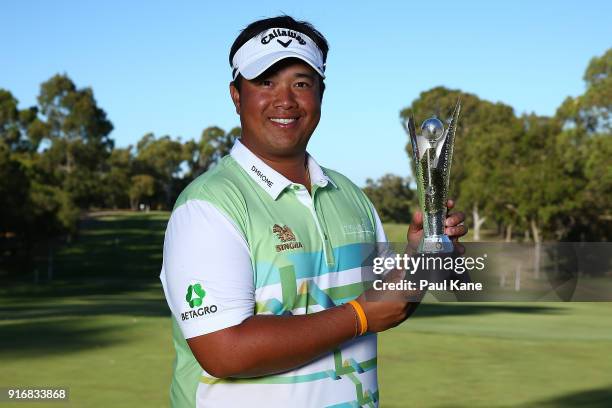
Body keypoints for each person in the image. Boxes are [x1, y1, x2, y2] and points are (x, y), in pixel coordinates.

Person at [160, 15, 467, 408]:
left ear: (321, 93)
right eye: (266, 81)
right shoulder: (208, 206)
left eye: (301, 83)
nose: (285, 100)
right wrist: (360, 315)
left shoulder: (349, 195)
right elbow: (224, 352)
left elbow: (389, 304)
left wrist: (423, 257)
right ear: (236, 95)